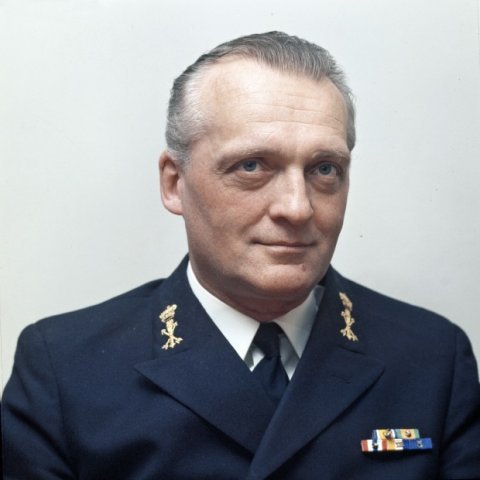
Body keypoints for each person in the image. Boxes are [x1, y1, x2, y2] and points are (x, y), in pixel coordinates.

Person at [2, 31, 480, 480]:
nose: (297, 207)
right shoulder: (66, 369)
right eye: (252, 166)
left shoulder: (433, 359)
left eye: (324, 169)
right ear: (174, 182)